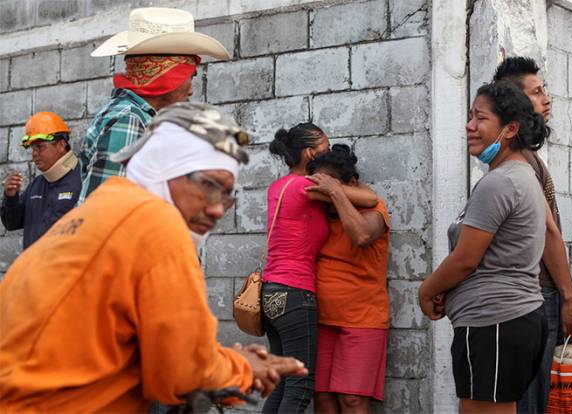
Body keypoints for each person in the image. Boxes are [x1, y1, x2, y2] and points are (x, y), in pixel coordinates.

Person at [0, 103, 307, 413]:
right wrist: (242, 368)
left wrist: (216, 360)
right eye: (210, 186)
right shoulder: (157, 223)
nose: (217, 209)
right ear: (165, 169)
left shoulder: (99, 211)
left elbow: (147, 350)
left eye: (226, 196)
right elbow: (180, 375)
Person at [419, 81, 552, 414]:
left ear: (509, 129)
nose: (469, 126)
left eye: (480, 118)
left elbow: (466, 259)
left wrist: (427, 290)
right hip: (503, 321)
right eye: (469, 117)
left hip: (495, 321)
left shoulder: (501, 182)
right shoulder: (518, 177)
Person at [261, 124, 378, 414]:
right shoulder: (307, 187)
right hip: (295, 294)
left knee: (282, 383)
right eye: (325, 149)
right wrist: (336, 185)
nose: (329, 154)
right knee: (300, 388)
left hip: (271, 293)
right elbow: (371, 200)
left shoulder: (279, 186)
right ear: (310, 153)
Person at [493, 56, 572, 414]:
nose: (546, 99)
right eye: (536, 92)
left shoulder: (526, 158)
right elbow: (547, 233)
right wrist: (570, 298)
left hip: (536, 296)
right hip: (537, 296)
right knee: (529, 400)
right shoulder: (521, 161)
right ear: (516, 103)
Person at [79, 7, 231, 202]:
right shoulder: (129, 120)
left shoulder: (137, 117)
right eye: (189, 77)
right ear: (166, 77)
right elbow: (104, 211)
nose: (191, 90)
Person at [305, 145, 390, 414]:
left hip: (363, 320)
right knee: (323, 399)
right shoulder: (318, 214)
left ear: (351, 184)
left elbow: (362, 236)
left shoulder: (375, 209)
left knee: (352, 401)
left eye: (328, 188)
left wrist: (336, 193)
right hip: (320, 319)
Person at [1, 112, 81, 249]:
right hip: (34, 268)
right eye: (32, 148)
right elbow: (12, 224)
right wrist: (10, 197)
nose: (34, 154)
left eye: (40, 147)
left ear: (61, 145)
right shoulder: (36, 185)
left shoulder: (82, 181)